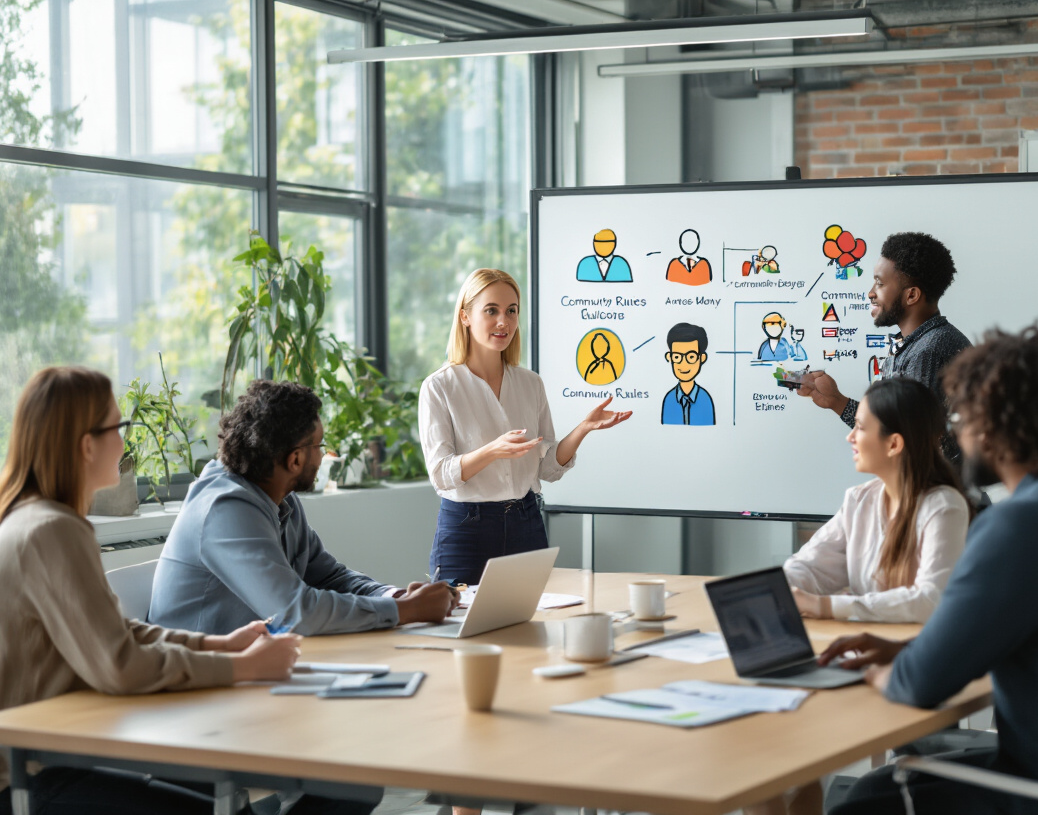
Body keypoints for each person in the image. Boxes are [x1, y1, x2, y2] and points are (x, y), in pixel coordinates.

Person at [820, 327, 1038, 815]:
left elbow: (921, 686)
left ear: (992, 428)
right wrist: (905, 648)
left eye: (961, 418)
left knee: (862, 800)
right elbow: (1008, 634)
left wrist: (873, 672)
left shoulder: (1018, 525)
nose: (956, 433)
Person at [0, 366, 307, 815]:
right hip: (21, 781)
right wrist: (242, 670)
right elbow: (118, 666)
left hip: (41, 763)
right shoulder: (50, 532)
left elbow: (118, 634)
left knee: (226, 798)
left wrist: (222, 646)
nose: (125, 440)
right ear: (86, 445)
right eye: (119, 427)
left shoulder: (37, 519)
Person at [149, 379, 458, 636]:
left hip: (247, 665)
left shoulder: (281, 499)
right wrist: (407, 611)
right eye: (320, 446)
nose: (325, 455)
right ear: (294, 460)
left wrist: (394, 596)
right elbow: (296, 612)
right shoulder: (224, 509)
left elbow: (328, 576)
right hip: (197, 686)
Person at [419, 268, 631, 586]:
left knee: (532, 627)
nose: (503, 322)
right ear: (465, 316)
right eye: (491, 310)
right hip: (467, 529)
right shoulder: (440, 387)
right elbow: (441, 473)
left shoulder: (530, 384)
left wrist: (583, 429)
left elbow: (546, 469)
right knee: (460, 630)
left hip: (526, 522)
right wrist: (493, 451)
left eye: (511, 311)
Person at [784, 377, 969, 624]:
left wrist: (825, 606)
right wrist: (777, 589)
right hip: (867, 646)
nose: (851, 438)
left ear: (893, 443)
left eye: (860, 427)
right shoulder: (859, 500)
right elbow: (811, 567)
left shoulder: (944, 507)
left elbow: (929, 600)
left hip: (915, 653)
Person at [797, 232, 971, 464]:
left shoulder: (928, 351)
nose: (871, 292)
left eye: (879, 283)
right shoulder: (916, 343)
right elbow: (895, 428)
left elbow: (907, 445)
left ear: (911, 295)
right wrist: (836, 401)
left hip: (932, 497)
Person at [661, 322, 715, 426]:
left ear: (702, 358)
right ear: (669, 357)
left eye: (691, 357)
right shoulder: (669, 399)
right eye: (677, 357)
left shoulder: (705, 399)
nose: (683, 363)